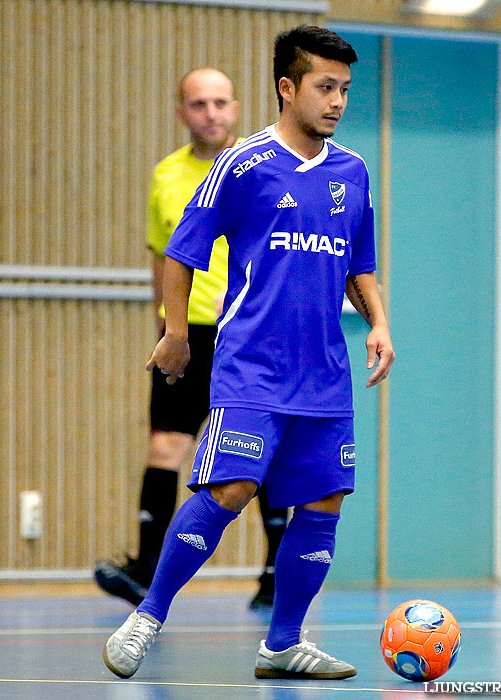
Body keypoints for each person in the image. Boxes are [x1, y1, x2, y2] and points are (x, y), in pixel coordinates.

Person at [102, 25, 394, 681]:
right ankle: (147, 614)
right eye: (325, 86)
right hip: (252, 369)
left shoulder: (354, 171)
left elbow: (360, 264)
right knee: (230, 487)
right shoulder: (242, 165)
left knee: (322, 504)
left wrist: (378, 323)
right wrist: (175, 333)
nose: (338, 101)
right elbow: (182, 251)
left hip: (326, 377)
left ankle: (284, 643)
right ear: (287, 88)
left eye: (345, 89)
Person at [93, 67, 287, 610]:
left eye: (220, 102)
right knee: (166, 446)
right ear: (182, 112)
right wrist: (166, 324)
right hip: (188, 334)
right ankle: (145, 569)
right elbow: (164, 252)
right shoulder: (166, 176)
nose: (210, 113)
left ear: (236, 108)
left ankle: (274, 572)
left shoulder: (260, 168)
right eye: (199, 103)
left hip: (246, 331)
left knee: (257, 451)